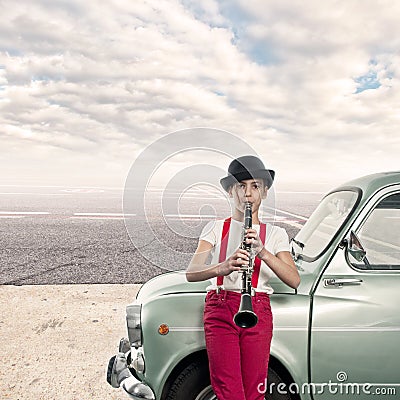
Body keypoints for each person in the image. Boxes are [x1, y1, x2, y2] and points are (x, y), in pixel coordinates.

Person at [186, 155, 300, 400]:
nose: (248, 194)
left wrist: (262, 251)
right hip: (220, 307)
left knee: (254, 391)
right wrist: (222, 267)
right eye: (241, 186)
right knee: (230, 392)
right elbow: (191, 272)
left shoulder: (276, 234)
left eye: (255, 186)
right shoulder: (216, 228)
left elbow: (294, 279)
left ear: (265, 193)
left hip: (257, 308)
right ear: (231, 191)